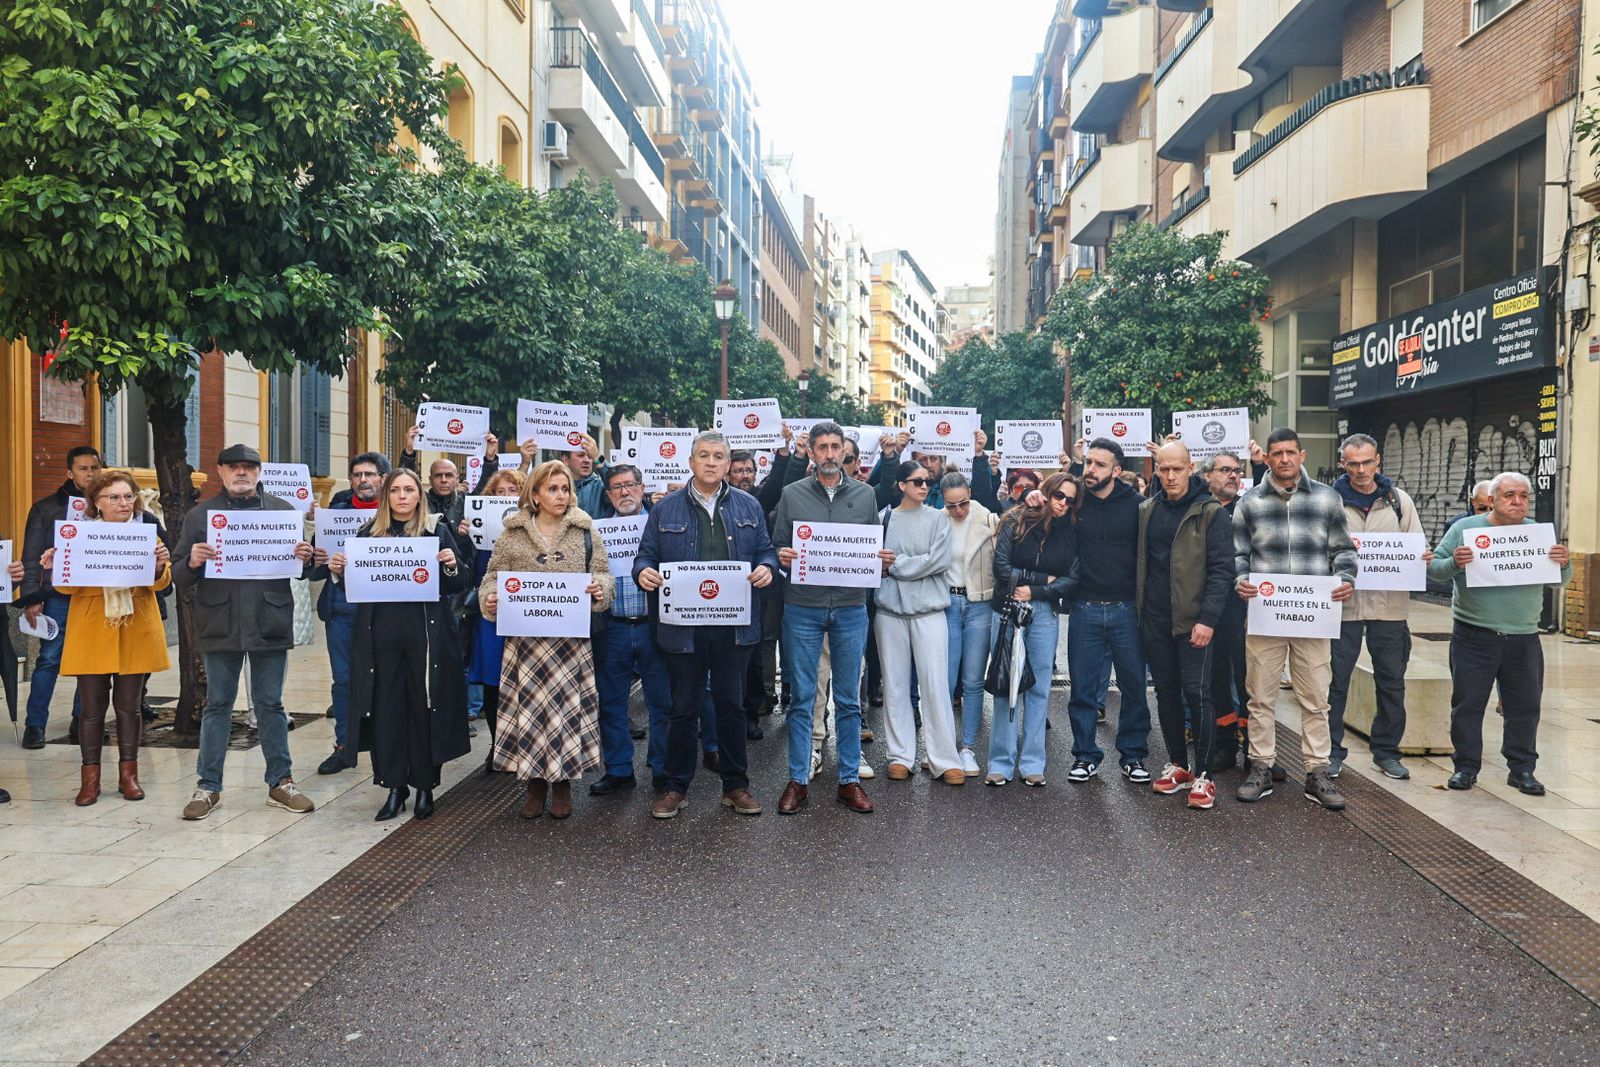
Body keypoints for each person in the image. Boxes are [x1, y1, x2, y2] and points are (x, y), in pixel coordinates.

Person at [635, 432, 778, 819]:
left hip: (733, 627)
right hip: (684, 628)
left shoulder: (749, 506)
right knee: (682, 708)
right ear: (691, 461)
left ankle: (736, 785)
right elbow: (645, 556)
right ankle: (675, 787)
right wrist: (644, 572)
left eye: (718, 456)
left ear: (729, 464)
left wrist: (767, 567)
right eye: (704, 455)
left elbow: (766, 551)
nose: (711, 462)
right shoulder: (664, 511)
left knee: (731, 706)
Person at [174, 444, 317, 821]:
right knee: (218, 705)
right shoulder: (200, 516)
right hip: (220, 620)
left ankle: (281, 782)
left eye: (249, 467)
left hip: (268, 619)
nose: (242, 473)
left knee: (270, 704)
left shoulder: (282, 512)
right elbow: (177, 574)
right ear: (220, 471)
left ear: (259, 472)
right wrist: (192, 560)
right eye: (234, 467)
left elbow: (305, 569)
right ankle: (207, 786)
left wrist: (306, 557)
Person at [325, 469, 470, 819]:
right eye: (396, 490)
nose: (403, 496)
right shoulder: (366, 535)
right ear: (385, 496)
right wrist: (339, 571)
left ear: (419, 496)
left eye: (409, 490)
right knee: (387, 711)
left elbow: (460, 583)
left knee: (423, 710)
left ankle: (424, 787)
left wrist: (451, 566)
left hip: (426, 639)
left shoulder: (436, 532)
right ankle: (393, 787)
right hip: (380, 641)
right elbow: (352, 591)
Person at [481, 461, 613, 820]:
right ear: (535, 494)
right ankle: (534, 784)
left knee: (564, 715)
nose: (561, 495)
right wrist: (491, 598)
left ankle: (563, 784)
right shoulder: (512, 533)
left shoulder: (585, 531)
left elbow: (603, 574)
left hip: (570, 644)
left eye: (565, 488)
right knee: (531, 713)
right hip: (527, 645)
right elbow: (492, 577)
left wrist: (599, 588)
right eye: (552, 489)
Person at [1233, 428, 1357, 811]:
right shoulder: (1250, 502)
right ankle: (1261, 766)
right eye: (1276, 453)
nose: (1284, 459)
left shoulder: (1327, 498)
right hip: (1265, 616)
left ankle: (1317, 771)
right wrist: (1241, 580)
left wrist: (1346, 579)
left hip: (1313, 617)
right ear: (1266, 458)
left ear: (1301, 455)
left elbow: (1344, 550)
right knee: (1260, 697)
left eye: (1290, 452)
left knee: (1316, 697)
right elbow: (1237, 555)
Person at [1429, 472, 1570, 796]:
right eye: (1509, 495)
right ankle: (1465, 768)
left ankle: (1522, 770)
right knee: (1467, 705)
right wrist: (1454, 562)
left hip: (1523, 637)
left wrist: (1562, 563)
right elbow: (1434, 568)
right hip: (1474, 635)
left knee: (1524, 707)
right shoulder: (1465, 530)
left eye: (1523, 496)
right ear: (1491, 500)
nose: (1518, 501)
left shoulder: (1538, 534)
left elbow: (1559, 580)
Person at [772, 421, 880, 815]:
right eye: (823, 447)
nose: (830, 454)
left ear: (845, 452)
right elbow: (778, 543)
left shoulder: (866, 495)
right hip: (803, 607)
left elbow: (873, 548)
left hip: (851, 607)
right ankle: (798, 779)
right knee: (802, 698)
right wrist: (782, 556)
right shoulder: (791, 494)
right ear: (812, 453)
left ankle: (848, 780)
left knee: (849, 699)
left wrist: (880, 562)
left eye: (836, 447)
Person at [45, 471, 172, 806]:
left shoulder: (147, 535)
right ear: (97, 503)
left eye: (128, 496)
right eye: (113, 497)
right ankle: (90, 780)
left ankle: (129, 776)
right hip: (92, 629)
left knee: (129, 708)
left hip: (135, 627)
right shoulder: (79, 536)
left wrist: (160, 567)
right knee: (90, 710)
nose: (122, 503)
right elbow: (65, 587)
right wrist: (59, 564)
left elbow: (162, 585)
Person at [1326, 433, 1431, 781]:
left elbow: (1415, 546)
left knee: (1391, 682)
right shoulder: (1329, 501)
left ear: (1378, 461)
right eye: (1353, 463)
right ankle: (1331, 752)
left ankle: (1386, 752)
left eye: (1367, 462)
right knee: (1334, 682)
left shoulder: (1399, 501)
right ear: (1343, 464)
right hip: (1344, 608)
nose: (1361, 470)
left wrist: (1421, 558)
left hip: (1390, 608)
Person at [1137, 443, 1233, 811]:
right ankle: (1178, 765)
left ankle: (1204, 774)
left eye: (1177, 469)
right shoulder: (1148, 510)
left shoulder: (1211, 513)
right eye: (1163, 469)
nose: (1170, 476)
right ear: (1157, 470)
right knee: (1165, 693)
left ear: (1192, 467)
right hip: (1156, 620)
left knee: (1198, 694)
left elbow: (1223, 570)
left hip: (1195, 623)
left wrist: (1208, 619)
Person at [1063, 438, 1152, 784]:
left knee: (1133, 688)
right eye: (1088, 462)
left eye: (1099, 464)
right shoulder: (1075, 503)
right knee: (1083, 691)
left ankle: (1133, 756)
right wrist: (1034, 496)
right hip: (1084, 609)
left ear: (1116, 471)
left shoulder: (1139, 506)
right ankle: (1085, 756)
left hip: (1127, 610)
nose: (1090, 470)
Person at [987, 472, 1078, 786]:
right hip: (1008, 608)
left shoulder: (1071, 531)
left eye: (1069, 499)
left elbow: (1072, 579)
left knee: (1039, 689)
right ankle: (1000, 762)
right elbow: (1000, 568)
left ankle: (1032, 763)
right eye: (1059, 496)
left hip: (1044, 611)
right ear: (1048, 492)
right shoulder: (1016, 519)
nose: (1063, 504)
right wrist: (1043, 579)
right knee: (1005, 684)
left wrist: (1035, 590)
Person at [875, 460, 961, 784]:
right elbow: (876, 561)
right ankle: (900, 756)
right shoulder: (884, 518)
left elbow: (938, 561)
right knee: (895, 685)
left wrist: (897, 565)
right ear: (901, 485)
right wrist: (903, 565)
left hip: (929, 611)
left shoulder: (939, 518)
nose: (924, 486)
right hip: (890, 612)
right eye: (916, 481)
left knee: (936, 686)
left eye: (927, 481)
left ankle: (943, 758)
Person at [591, 465, 673, 796]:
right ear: (609, 495)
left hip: (654, 627)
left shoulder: (662, 526)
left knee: (662, 703)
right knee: (611, 703)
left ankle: (662, 767)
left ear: (642, 488)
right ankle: (619, 769)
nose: (625, 492)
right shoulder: (595, 534)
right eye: (617, 487)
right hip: (614, 627)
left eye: (630, 485)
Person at [310, 451, 390, 775]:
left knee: (385, 681)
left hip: (384, 615)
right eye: (357, 475)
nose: (363, 480)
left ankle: (387, 745)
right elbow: (312, 570)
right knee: (343, 681)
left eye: (369, 474)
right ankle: (344, 746)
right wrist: (324, 563)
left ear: (383, 480)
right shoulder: (334, 516)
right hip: (342, 612)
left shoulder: (395, 518)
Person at [16, 445, 100, 748]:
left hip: (95, 596)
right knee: (49, 660)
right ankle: (35, 725)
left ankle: (82, 722)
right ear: (69, 472)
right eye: (83, 468)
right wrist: (32, 598)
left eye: (94, 468)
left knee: (90, 663)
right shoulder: (46, 508)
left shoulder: (107, 506)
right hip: (57, 595)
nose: (90, 474)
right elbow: (31, 555)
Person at [459, 467, 525, 771]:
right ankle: (499, 746)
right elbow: (463, 569)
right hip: (491, 612)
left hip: (527, 610)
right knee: (492, 681)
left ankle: (524, 745)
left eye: (513, 491)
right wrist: (462, 539)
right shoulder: (477, 530)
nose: (507, 497)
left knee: (524, 680)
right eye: (500, 492)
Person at [940, 471, 999, 775]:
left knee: (973, 681)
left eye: (963, 503)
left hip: (980, 604)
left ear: (970, 494)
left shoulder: (988, 519)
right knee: (945, 680)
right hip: (948, 604)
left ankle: (967, 748)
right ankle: (943, 747)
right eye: (952, 506)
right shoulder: (937, 521)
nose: (958, 510)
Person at [1200, 451, 1251, 772]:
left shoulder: (1249, 510)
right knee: (1217, 678)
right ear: (1207, 476)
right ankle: (1226, 744)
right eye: (1225, 470)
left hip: (1246, 609)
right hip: (1211, 609)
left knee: (1250, 680)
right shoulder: (1199, 510)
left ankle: (1256, 749)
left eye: (1237, 471)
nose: (1233, 476)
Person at [730, 450, 778, 738]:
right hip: (715, 595)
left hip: (752, 590)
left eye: (749, 470)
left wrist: (785, 455)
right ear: (727, 473)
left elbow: (765, 550)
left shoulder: (757, 501)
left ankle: (750, 714)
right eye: (739, 471)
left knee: (751, 656)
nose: (745, 475)